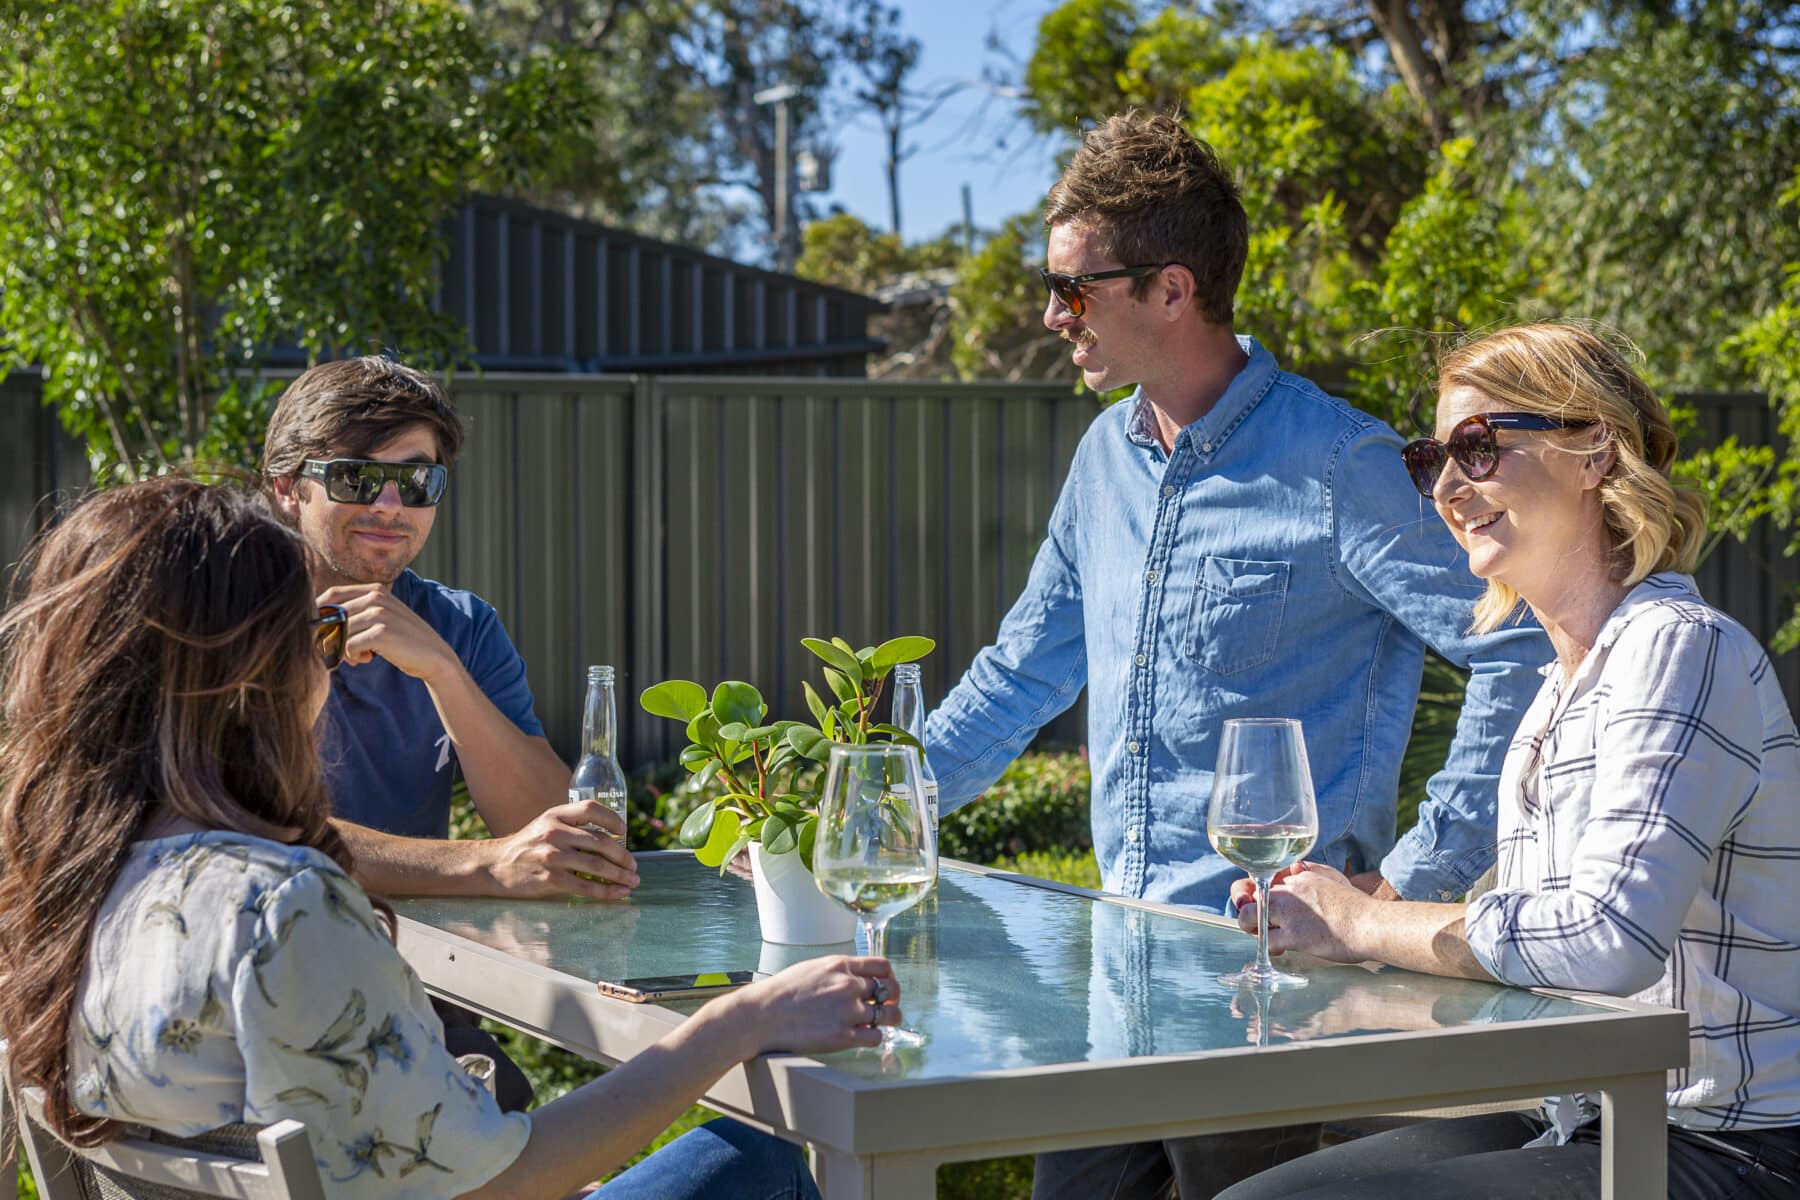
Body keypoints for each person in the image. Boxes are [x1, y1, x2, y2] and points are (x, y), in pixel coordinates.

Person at [921, 111, 1553, 1197]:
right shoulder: (1100, 462)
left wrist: (1404, 883)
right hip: (1114, 986)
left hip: (1270, 997)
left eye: (1074, 289)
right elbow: (1022, 670)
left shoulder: (1339, 465)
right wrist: (874, 808)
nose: (1050, 313)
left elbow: (1522, 645)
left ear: (1171, 289)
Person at [0, 476, 900, 1199]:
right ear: (247, 671)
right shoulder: (281, 908)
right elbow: (508, 1179)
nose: (328, 660)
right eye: (312, 633)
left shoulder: (54, 883)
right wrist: (741, 1018)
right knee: (758, 1164)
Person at [1219, 323, 1800, 1199]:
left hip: (1721, 1143)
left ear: (1595, 449)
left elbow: (1608, 939)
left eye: (1479, 447)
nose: (1447, 487)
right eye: (1431, 461)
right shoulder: (1558, 690)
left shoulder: (1682, 649)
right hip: (1585, 1109)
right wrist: (1347, 930)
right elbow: (1535, 929)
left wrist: (1367, 925)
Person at [263, 357, 634, 1108]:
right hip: (278, 1007)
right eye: (358, 479)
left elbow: (556, 837)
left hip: (419, 1002)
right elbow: (259, 839)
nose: (391, 505)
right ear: (285, 488)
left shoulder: (460, 627)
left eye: (420, 481)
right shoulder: (229, 623)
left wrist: (444, 674)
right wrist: (484, 865)